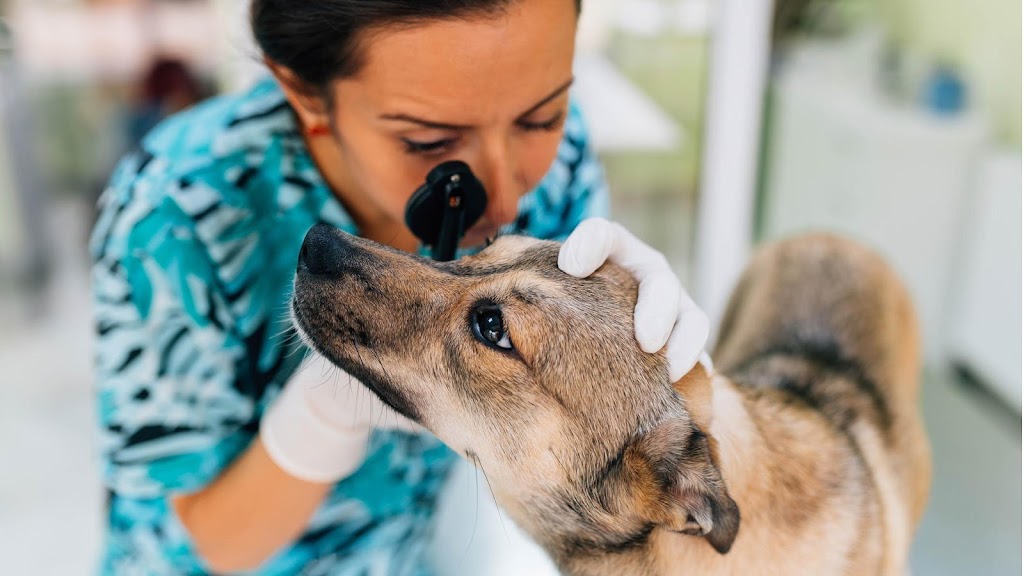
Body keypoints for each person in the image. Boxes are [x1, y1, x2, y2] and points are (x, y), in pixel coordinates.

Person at [90, 0, 709, 573]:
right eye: (430, 141)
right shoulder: (174, 218)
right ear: (304, 94)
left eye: (541, 115)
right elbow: (203, 543)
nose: (507, 193)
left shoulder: (561, 158)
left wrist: (667, 382)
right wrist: (319, 417)